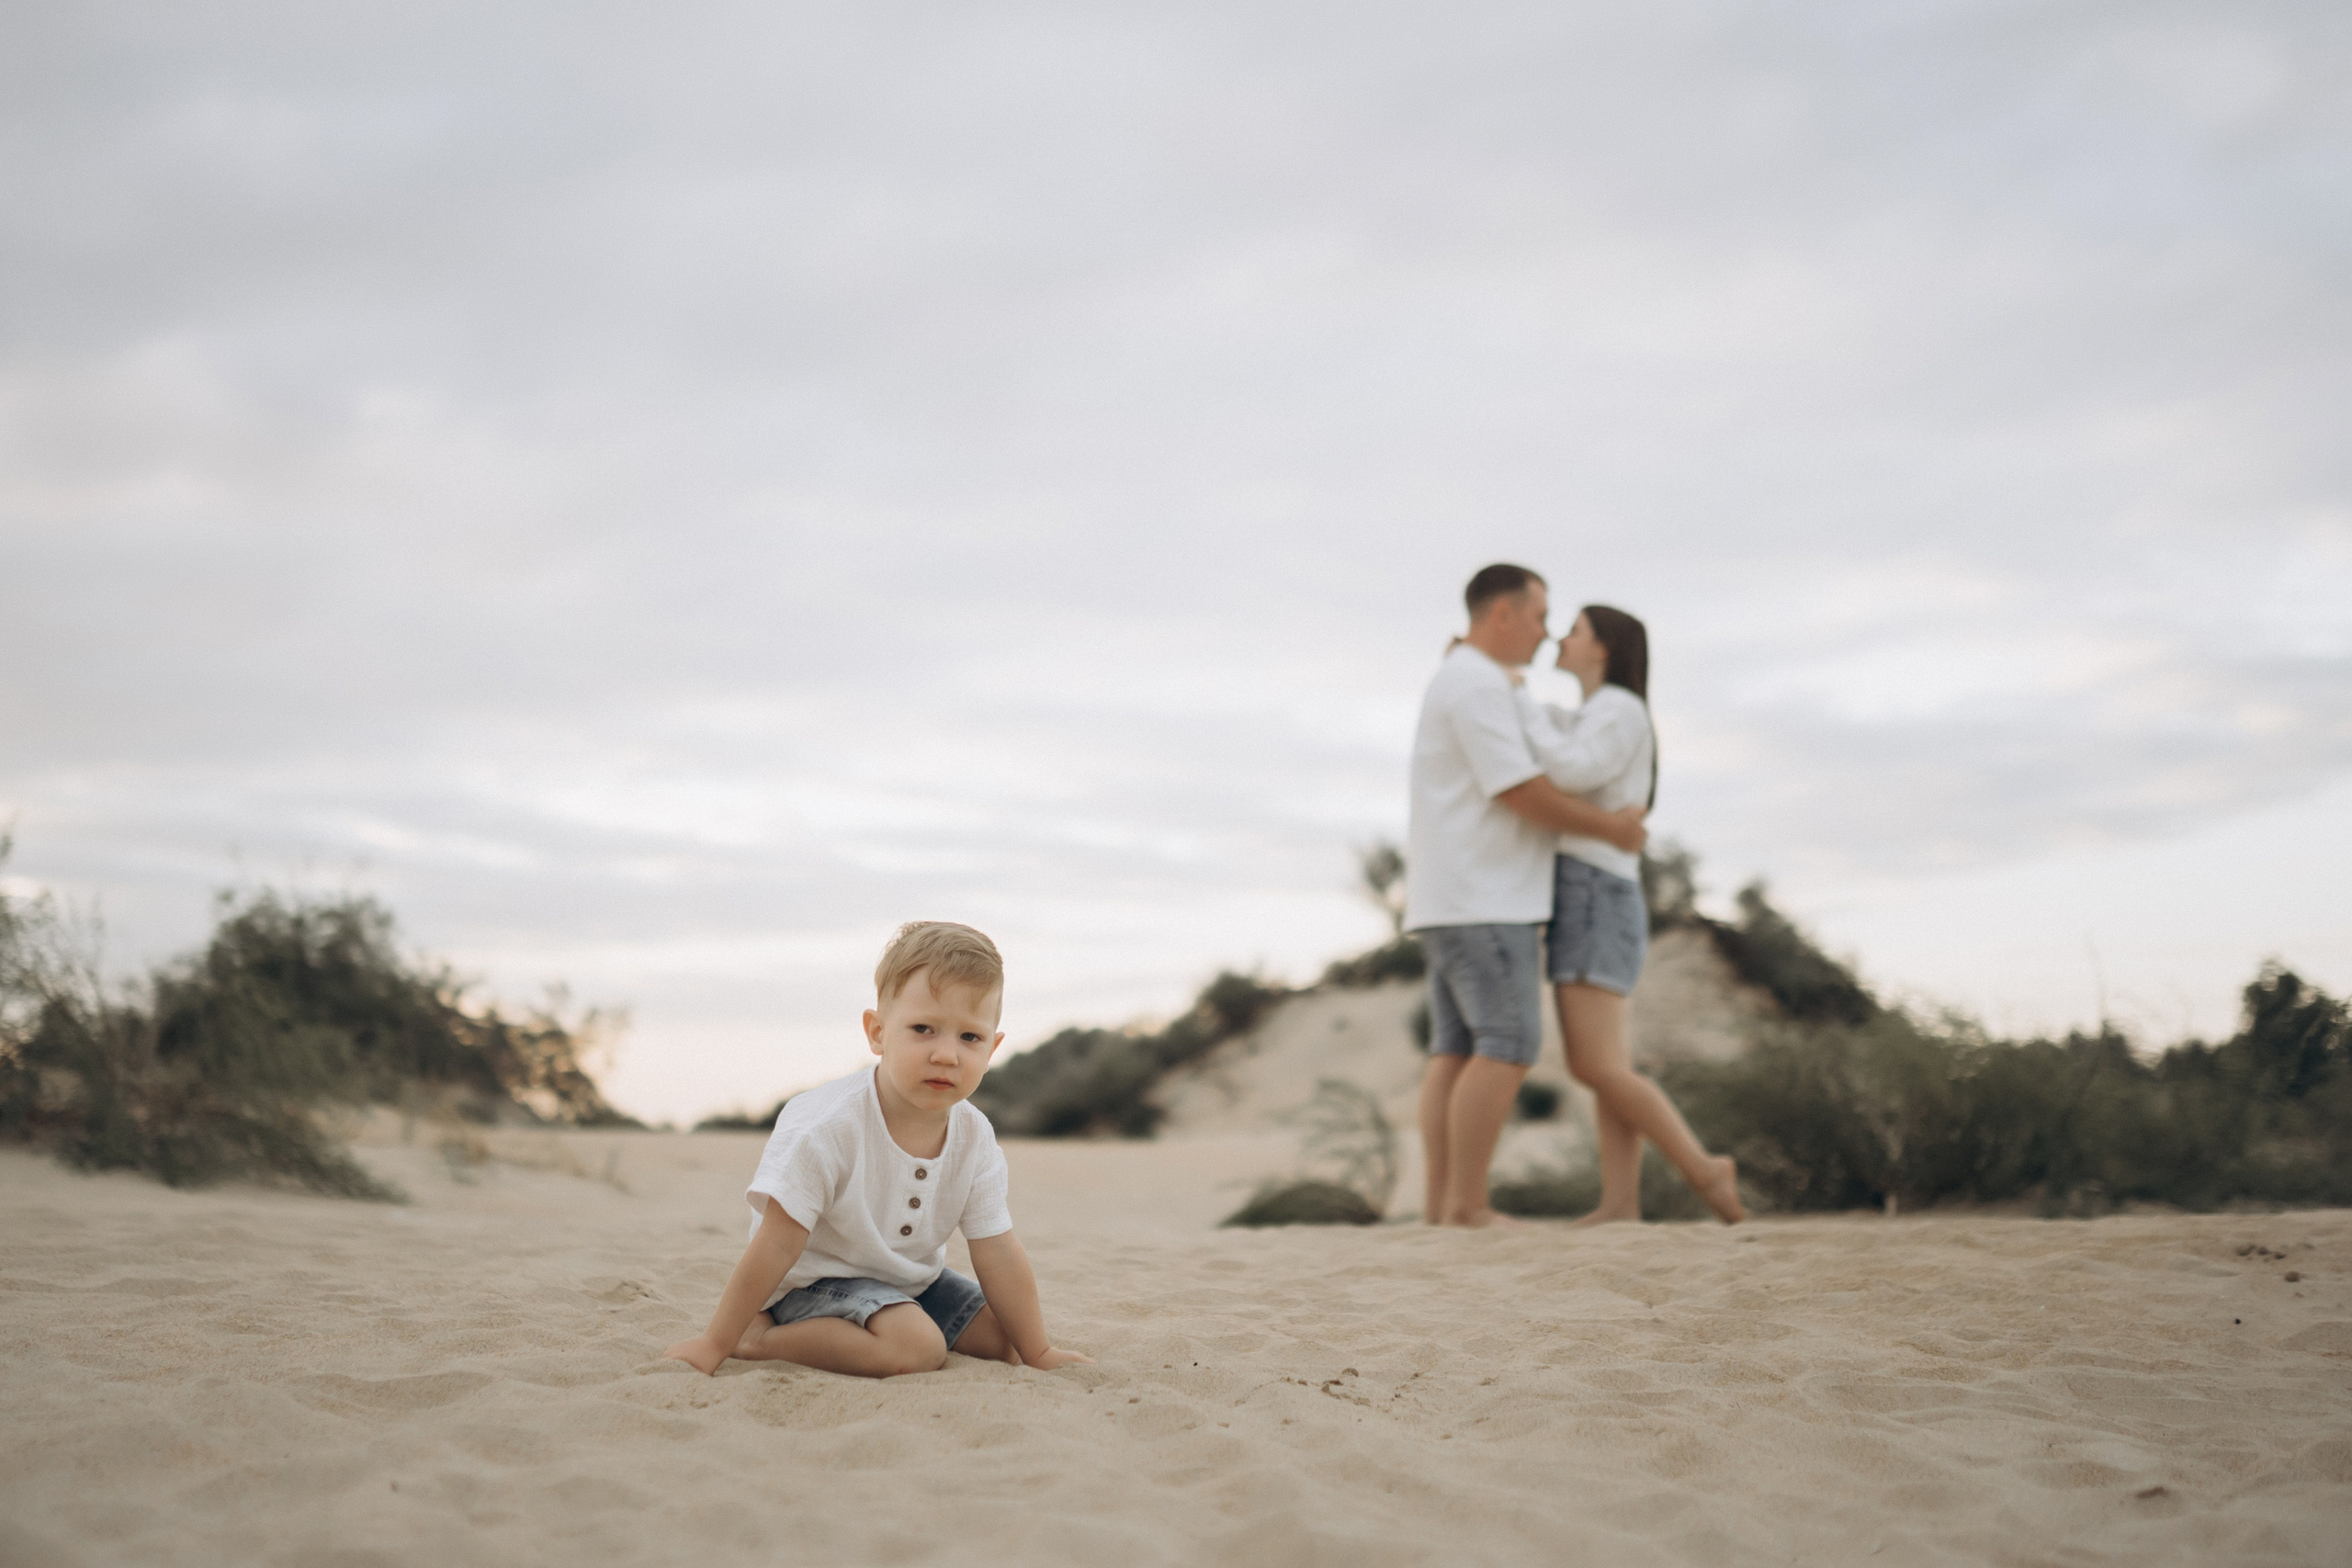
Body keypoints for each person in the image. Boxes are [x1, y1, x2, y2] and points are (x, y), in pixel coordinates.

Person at [663, 921, 1093, 1378]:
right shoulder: (829, 1126)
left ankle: (914, 1324)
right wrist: (716, 1341)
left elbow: (997, 1248)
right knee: (917, 1348)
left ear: (992, 1049)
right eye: (923, 1029)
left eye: (970, 1037)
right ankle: (757, 1339)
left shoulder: (975, 1135)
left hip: (907, 1282)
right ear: (878, 1032)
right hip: (811, 1283)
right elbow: (778, 1242)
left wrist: (1038, 1351)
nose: (946, 1054)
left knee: (1005, 1339)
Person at [1407, 565, 1648, 1228]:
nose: (1546, 633)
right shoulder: (1478, 683)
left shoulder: (1471, 679)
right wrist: (1613, 829)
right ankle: (1468, 1205)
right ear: (1502, 614)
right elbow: (1520, 790)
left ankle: (1441, 1208)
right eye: (1540, 617)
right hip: (1486, 896)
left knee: (1456, 1051)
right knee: (1508, 1042)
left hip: (1452, 895)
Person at [1519, 605, 1744, 1225]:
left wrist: (1516, 698)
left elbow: (1570, 769)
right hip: (1596, 888)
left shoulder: (1617, 709)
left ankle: (1704, 1169)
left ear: (1604, 649)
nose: (1561, 638)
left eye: (1575, 631)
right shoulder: (1599, 712)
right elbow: (1560, 738)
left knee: (1594, 1065)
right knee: (1607, 1066)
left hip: (1592, 890)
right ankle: (1620, 1203)